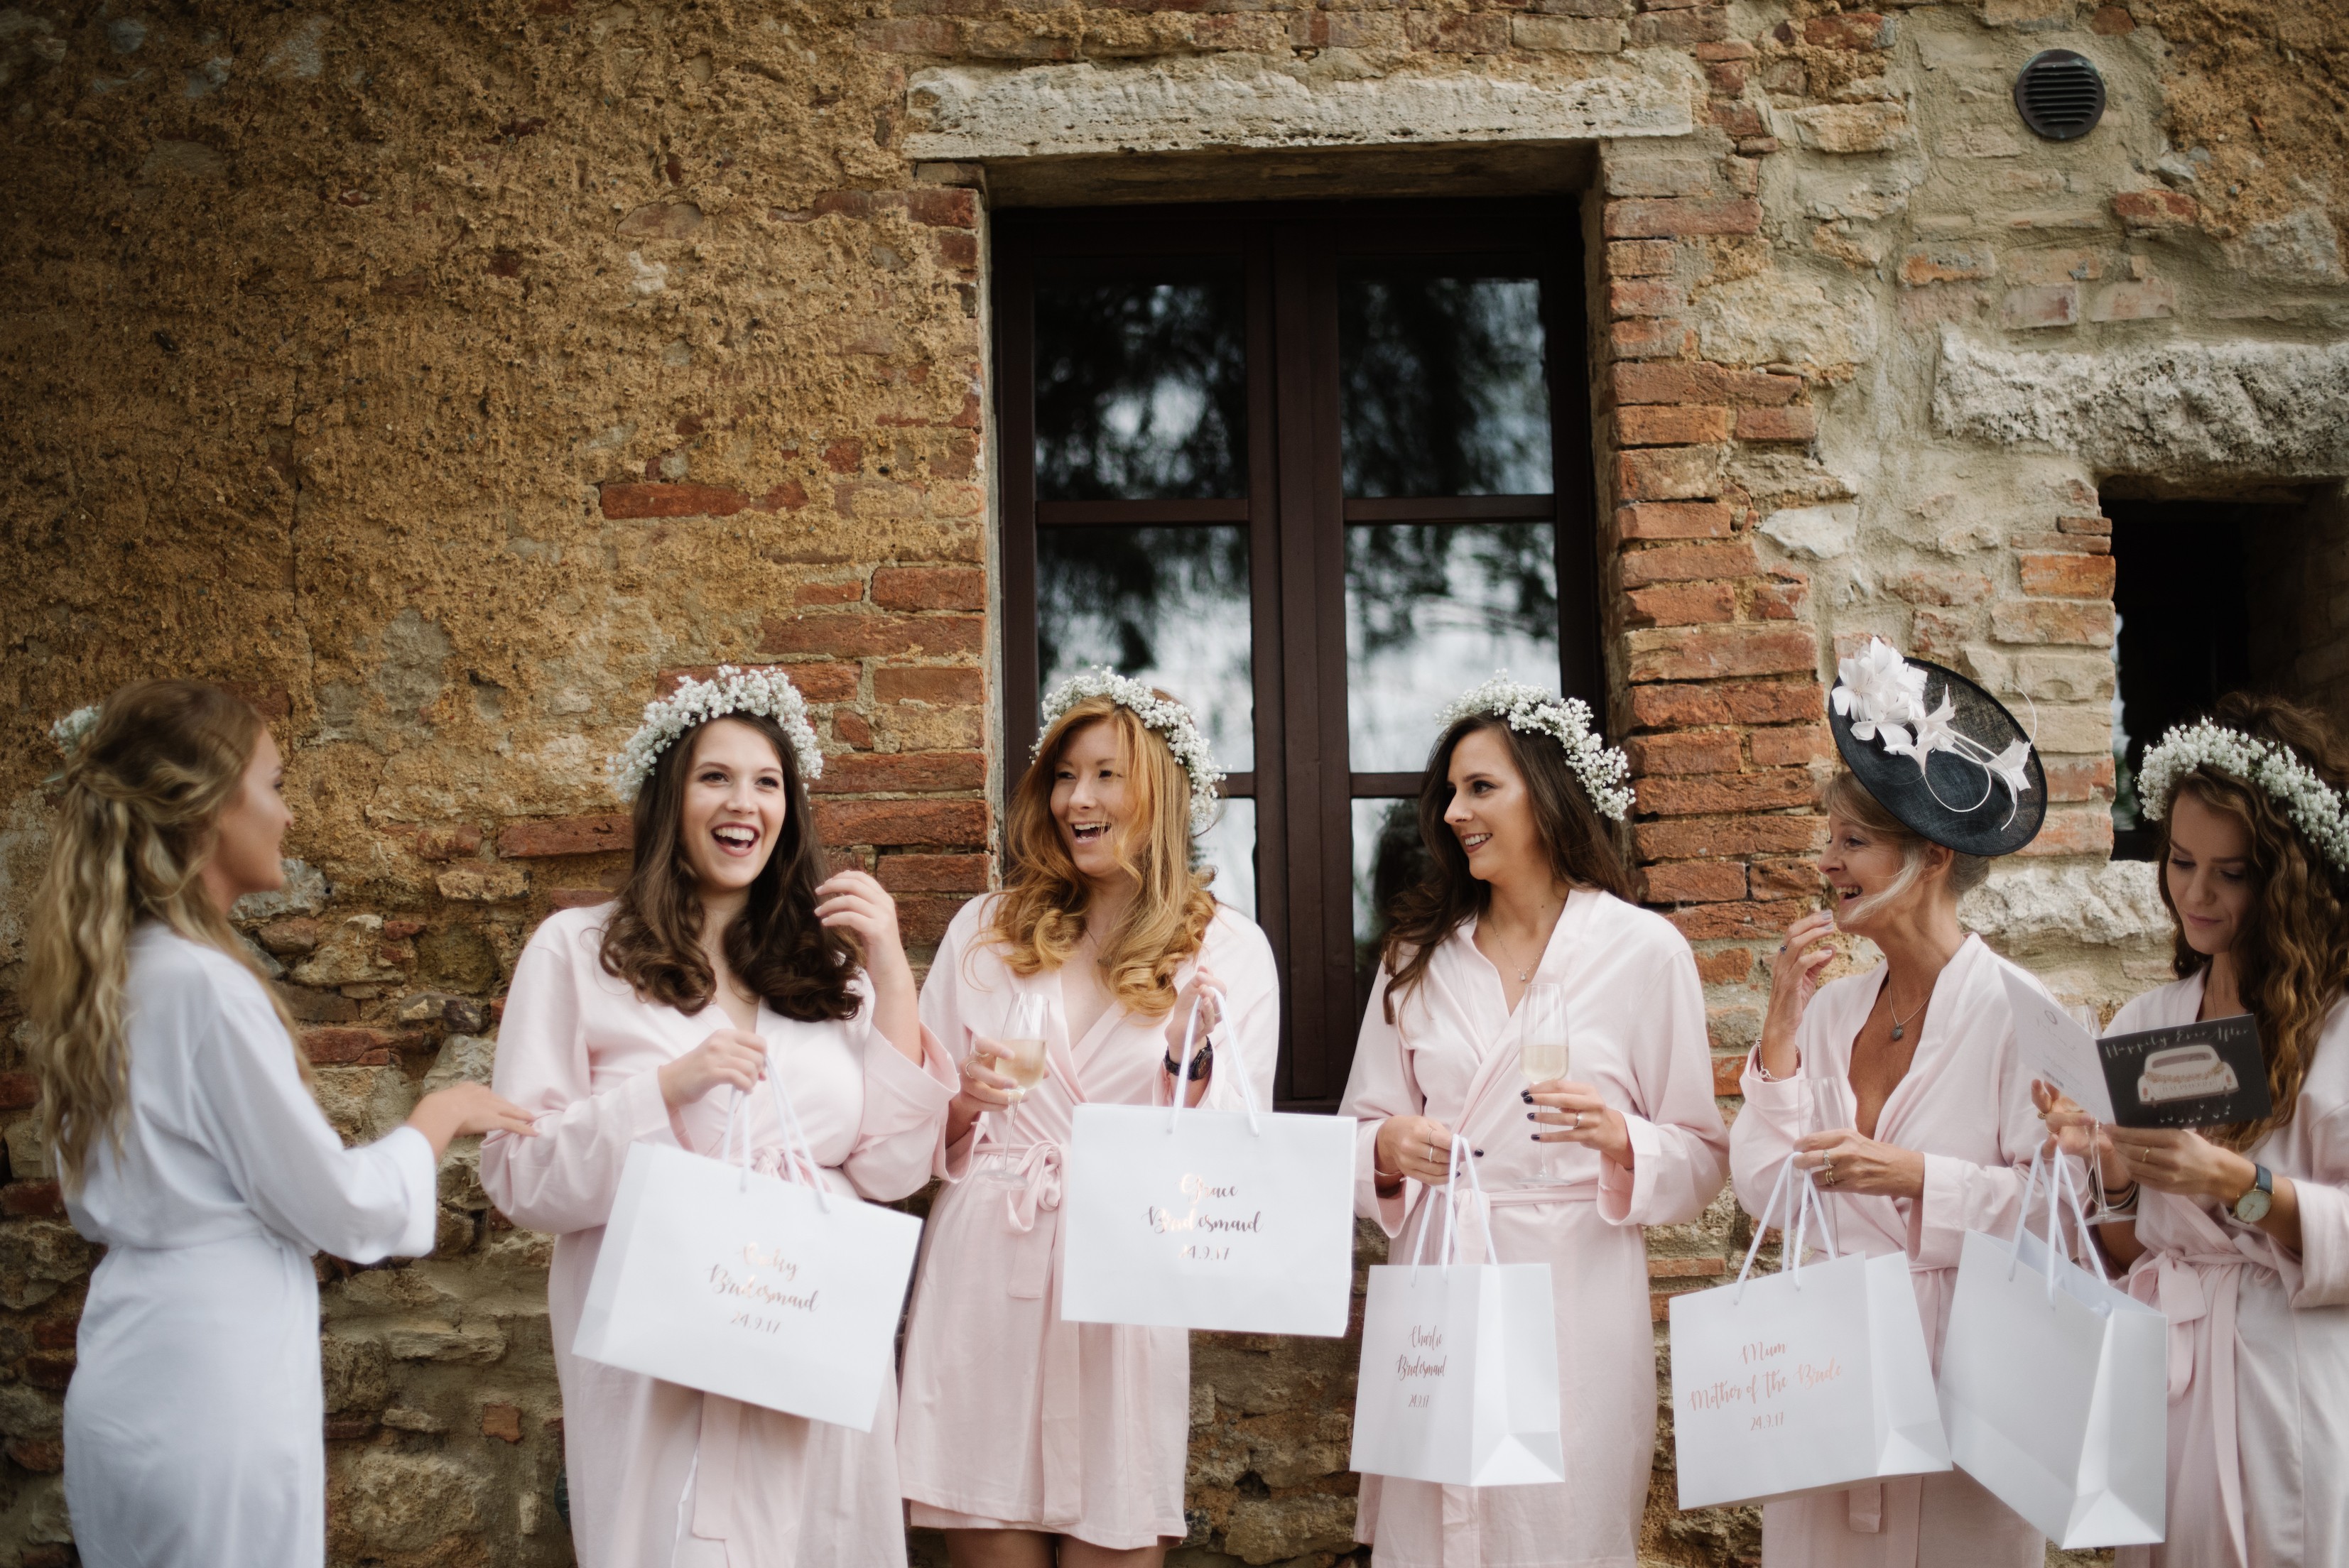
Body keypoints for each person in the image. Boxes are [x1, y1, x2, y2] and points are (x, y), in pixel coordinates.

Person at [23, 682, 535, 1568]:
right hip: (213, 1382)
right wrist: (437, 1117)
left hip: (129, 1362)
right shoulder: (206, 988)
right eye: (274, 784)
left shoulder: (112, 976)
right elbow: (336, 1207)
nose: (289, 815)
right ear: (208, 808)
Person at [479, 666, 953, 1568]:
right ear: (670, 798)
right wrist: (663, 1091)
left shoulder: (833, 976)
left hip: (806, 1325)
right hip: (664, 1348)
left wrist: (892, 971)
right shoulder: (577, 952)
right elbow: (520, 1177)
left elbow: (892, 1170)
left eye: (767, 782)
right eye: (716, 777)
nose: (745, 803)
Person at [1339, 675, 1729, 1568]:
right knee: (1433, 1535)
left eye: (1481, 788)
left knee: (1561, 1529)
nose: (1453, 813)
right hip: (1443, 1280)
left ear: (1546, 795)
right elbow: (1360, 1130)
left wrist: (1622, 1138)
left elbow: (1703, 1158)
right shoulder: (1415, 958)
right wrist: (1387, 1149)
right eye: (1449, 793)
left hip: (1572, 1297)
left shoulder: (1642, 952)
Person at [896, 670, 1279, 1568]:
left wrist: (1187, 1062)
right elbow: (910, 1133)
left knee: (1117, 1533)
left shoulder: (1226, 949)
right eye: (1065, 776)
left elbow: (1235, 1158)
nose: (1079, 799)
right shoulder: (986, 931)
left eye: (1108, 775)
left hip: (1125, 1276)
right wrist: (964, 1100)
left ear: (1163, 792)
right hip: (988, 1268)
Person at [1732, 639, 2056, 1567]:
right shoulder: (1832, 1011)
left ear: (1931, 855)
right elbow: (1764, 1192)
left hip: (1965, 1389)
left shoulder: (2019, 1013)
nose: (1824, 863)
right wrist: (1781, 1034)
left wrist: (1918, 1178)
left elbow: (2064, 1215)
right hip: (1827, 1380)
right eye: (1828, 839)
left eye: (1851, 843)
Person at [2040, 694, 2349, 1568]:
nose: (2196, 894)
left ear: (2286, 879)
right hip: (2167, 1382)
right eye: (2180, 862)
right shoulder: (2149, 1020)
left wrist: (2236, 1185)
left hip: (2285, 1382)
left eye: (2231, 872)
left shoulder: (2338, 1030)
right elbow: (2130, 1249)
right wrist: (2106, 1163)